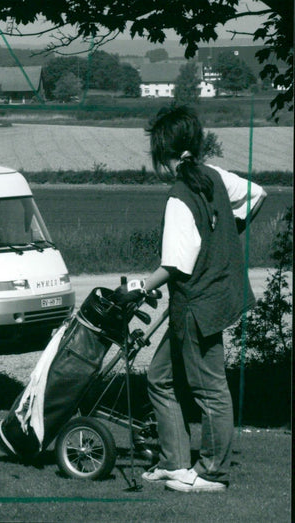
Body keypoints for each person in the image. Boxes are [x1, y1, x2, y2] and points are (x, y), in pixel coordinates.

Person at [113, 104, 266, 493]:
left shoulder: (179, 196)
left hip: (197, 305)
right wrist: (229, 229)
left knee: (210, 390)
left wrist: (137, 289)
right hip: (210, 299)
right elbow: (256, 194)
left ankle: (210, 473)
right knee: (159, 377)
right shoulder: (215, 177)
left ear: (164, 156)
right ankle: (175, 462)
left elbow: (175, 267)